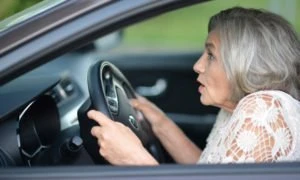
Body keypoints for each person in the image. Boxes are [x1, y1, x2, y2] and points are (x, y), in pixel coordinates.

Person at [87, 7, 300, 165]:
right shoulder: (239, 108)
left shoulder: (262, 111)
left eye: (211, 56)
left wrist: (133, 158)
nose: (197, 66)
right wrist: (161, 123)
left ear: (245, 65)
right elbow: (207, 169)